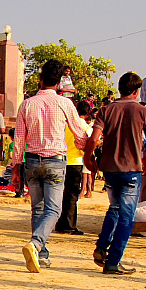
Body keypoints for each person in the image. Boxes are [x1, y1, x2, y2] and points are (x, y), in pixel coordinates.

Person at [11, 59, 90, 272]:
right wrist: (85, 149)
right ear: (59, 83)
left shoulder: (27, 104)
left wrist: (16, 166)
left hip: (32, 160)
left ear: (40, 78)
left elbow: (18, 138)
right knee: (54, 209)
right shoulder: (65, 104)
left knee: (37, 208)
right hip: (55, 160)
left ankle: (41, 254)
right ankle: (36, 244)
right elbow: (80, 134)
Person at [84, 71, 146, 274]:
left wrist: (88, 158)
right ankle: (113, 260)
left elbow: (93, 139)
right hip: (132, 169)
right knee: (126, 216)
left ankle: (102, 246)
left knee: (114, 208)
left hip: (110, 168)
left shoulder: (106, 110)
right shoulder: (144, 112)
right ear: (136, 91)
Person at [55, 100, 92, 235]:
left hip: (62, 159)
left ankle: (60, 221)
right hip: (75, 161)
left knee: (61, 193)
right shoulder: (83, 126)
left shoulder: (67, 123)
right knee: (72, 195)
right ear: (88, 113)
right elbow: (89, 143)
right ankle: (69, 225)